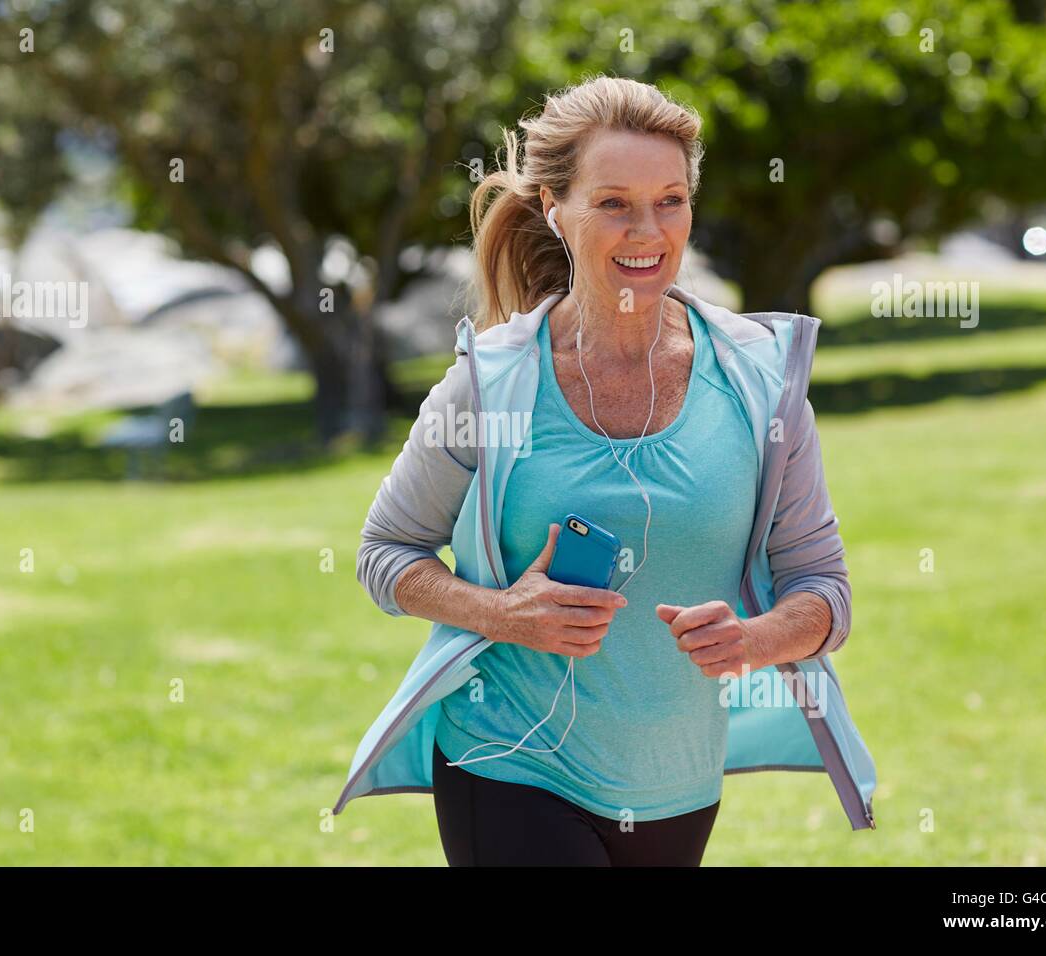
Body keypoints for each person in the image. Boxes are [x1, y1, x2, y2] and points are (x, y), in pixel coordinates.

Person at [347, 75, 858, 866]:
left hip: (677, 785)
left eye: (671, 200)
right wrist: (500, 612)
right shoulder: (491, 382)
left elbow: (824, 589)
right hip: (507, 759)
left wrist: (752, 640)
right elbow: (385, 554)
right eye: (613, 203)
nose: (648, 230)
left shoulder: (760, 380)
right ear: (555, 210)